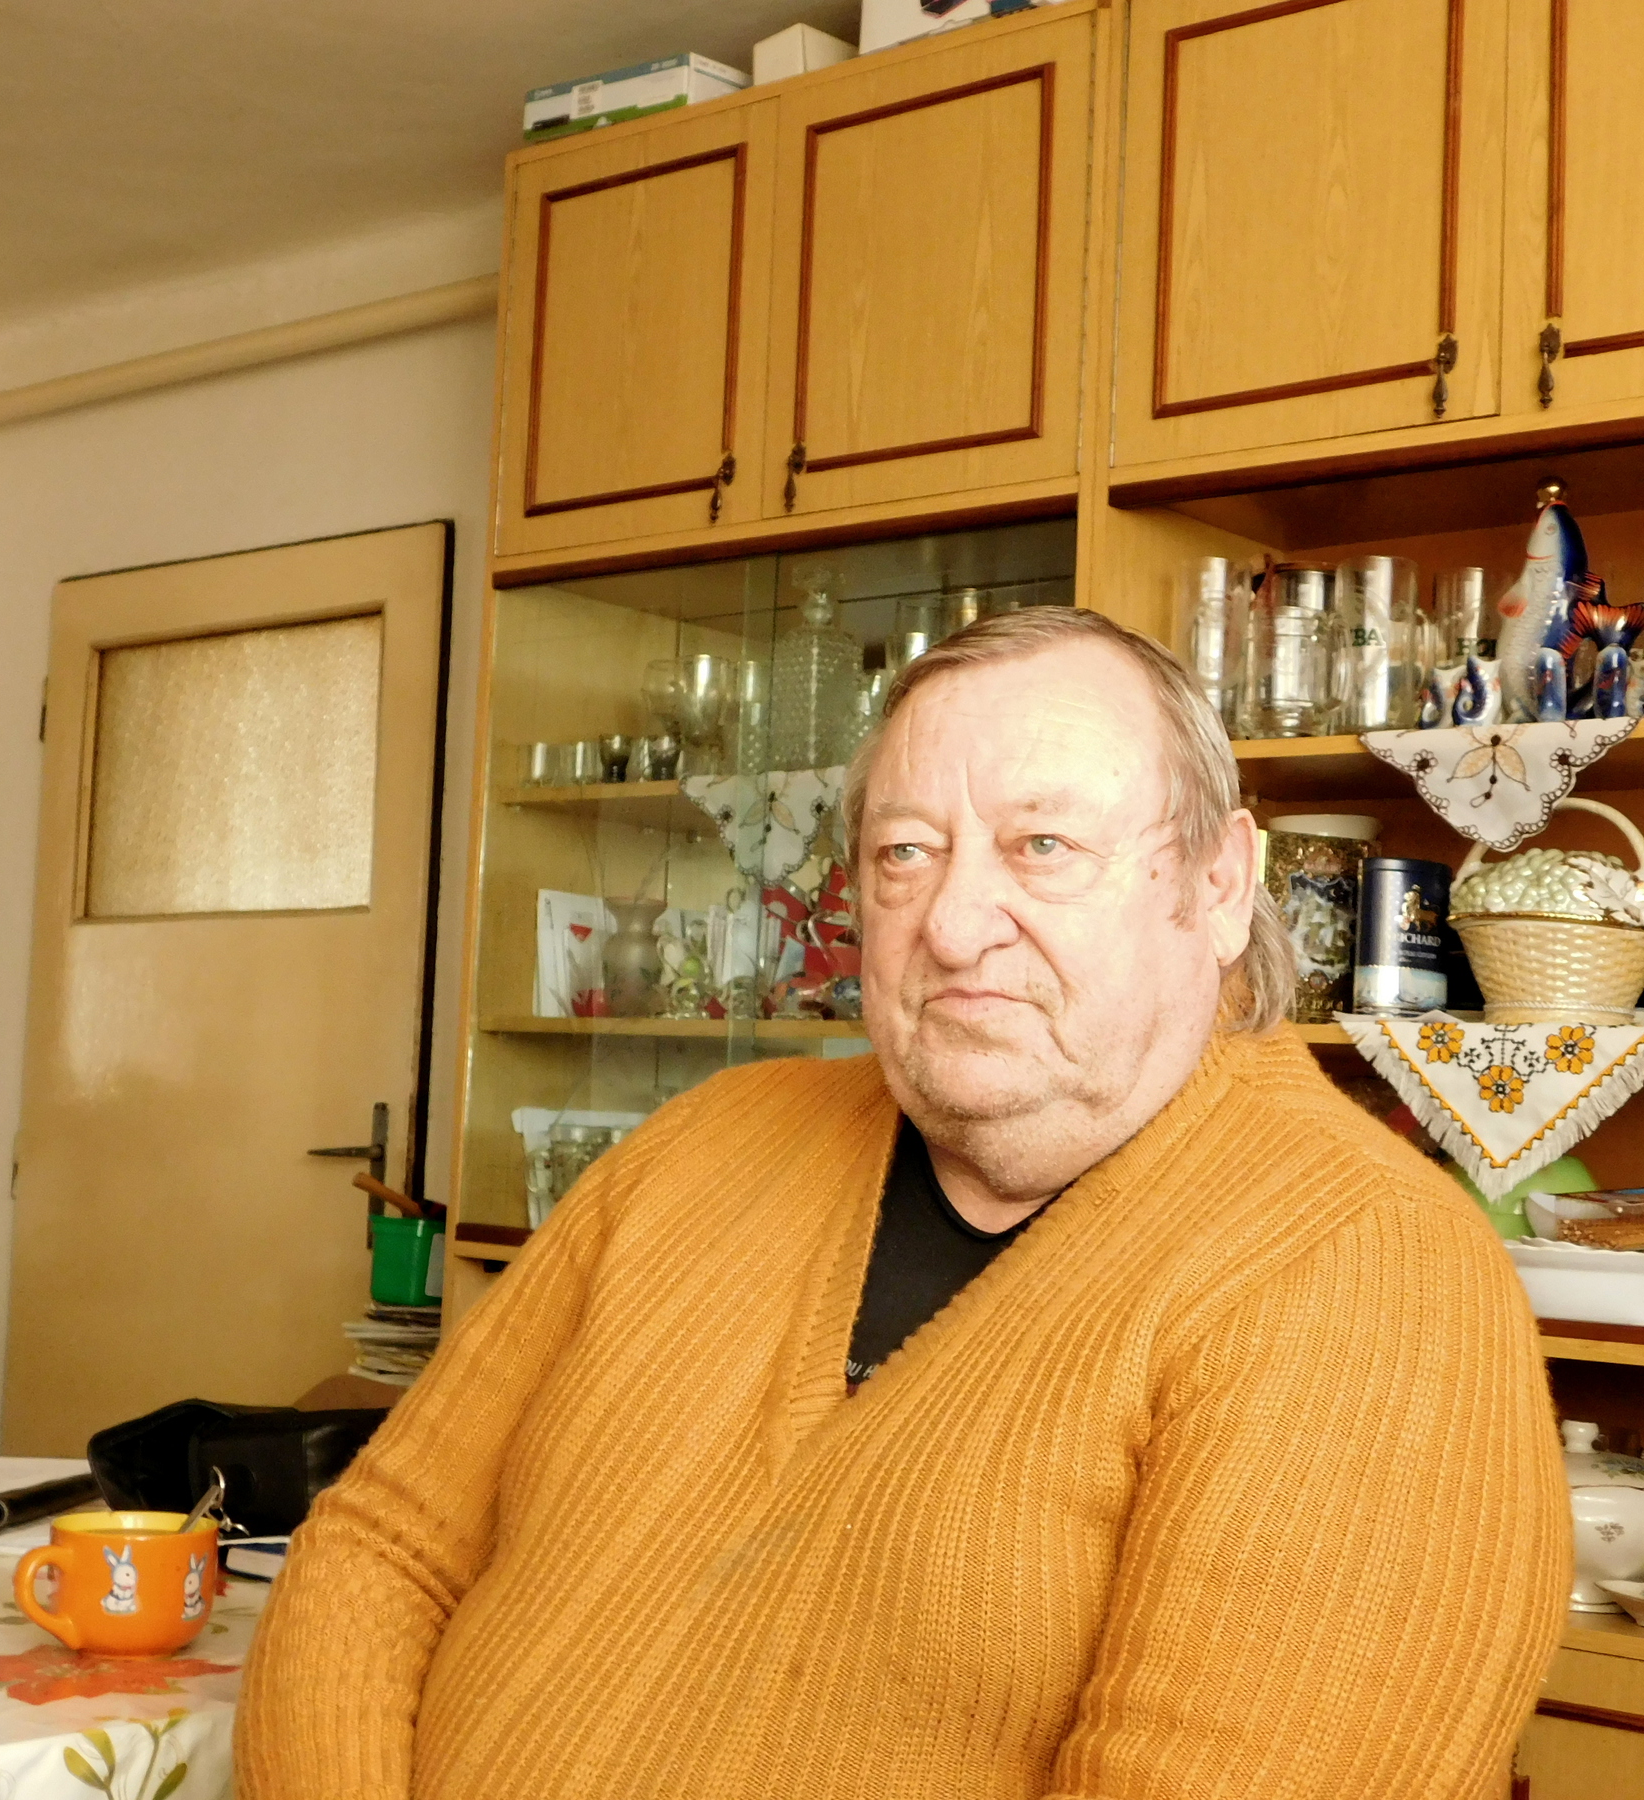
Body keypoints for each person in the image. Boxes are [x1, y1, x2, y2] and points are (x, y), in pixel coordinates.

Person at [238, 607, 1567, 1800]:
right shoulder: (707, 1142)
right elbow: (383, 1547)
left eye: (1043, 845)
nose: (953, 921)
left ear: (1217, 885)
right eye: (906, 852)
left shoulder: (1369, 1273)